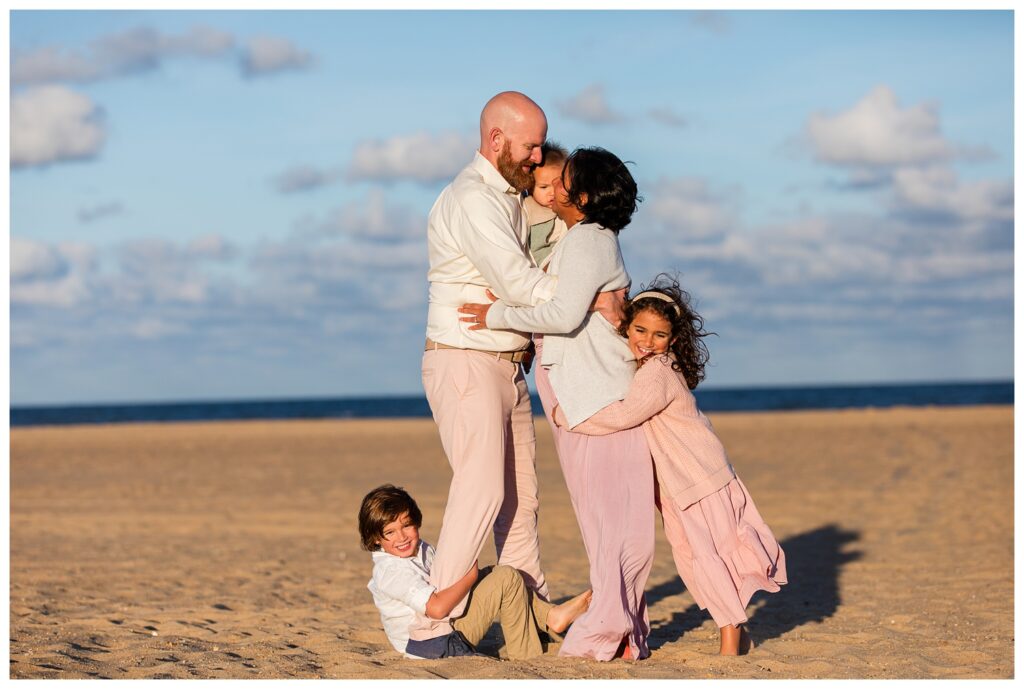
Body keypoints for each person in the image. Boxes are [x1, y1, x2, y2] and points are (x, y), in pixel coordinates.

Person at [417, 91, 623, 644]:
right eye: (531, 147)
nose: (539, 159)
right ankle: (430, 622)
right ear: (496, 139)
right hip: (465, 359)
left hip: (508, 366)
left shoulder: (511, 199)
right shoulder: (473, 200)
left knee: (520, 501)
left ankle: (528, 615)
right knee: (481, 490)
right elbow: (520, 284)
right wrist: (594, 289)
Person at [459, 147, 655, 661]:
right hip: (589, 396)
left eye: (564, 180)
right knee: (609, 522)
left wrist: (497, 314)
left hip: (596, 399)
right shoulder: (586, 239)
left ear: (582, 195)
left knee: (609, 522)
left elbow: (564, 315)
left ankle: (608, 633)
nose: (553, 186)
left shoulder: (588, 240)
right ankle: (624, 633)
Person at [552, 275, 788, 655]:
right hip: (683, 484)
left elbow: (624, 415)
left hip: (698, 479)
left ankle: (732, 639)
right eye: (639, 330)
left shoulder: (660, 370)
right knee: (697, 557)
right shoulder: (645, 367)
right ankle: (734, 634)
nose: (647, 341)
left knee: (708, 556)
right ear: (626, 326)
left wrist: (569, 418)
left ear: (673, 340)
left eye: (659, 335)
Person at [360, 484, 592, 659]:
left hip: (440, 629)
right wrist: (470, 577)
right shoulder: (391, 572)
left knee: (496, 574)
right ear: (375, 538)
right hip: (431, 645)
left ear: (416, 522)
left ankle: (549, 620)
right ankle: (530, 651)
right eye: (390, 532)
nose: (402, 537)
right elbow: (437, 608)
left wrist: (472, 574)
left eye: (406, 525)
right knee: (505, 578)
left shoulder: (420, 549)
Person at [524, 142, 569, 270]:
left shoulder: (567, 211)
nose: (552, 192)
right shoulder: (525, 208)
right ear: (529, 187)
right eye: (544, 187)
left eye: (558, 185)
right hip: (531, 272)